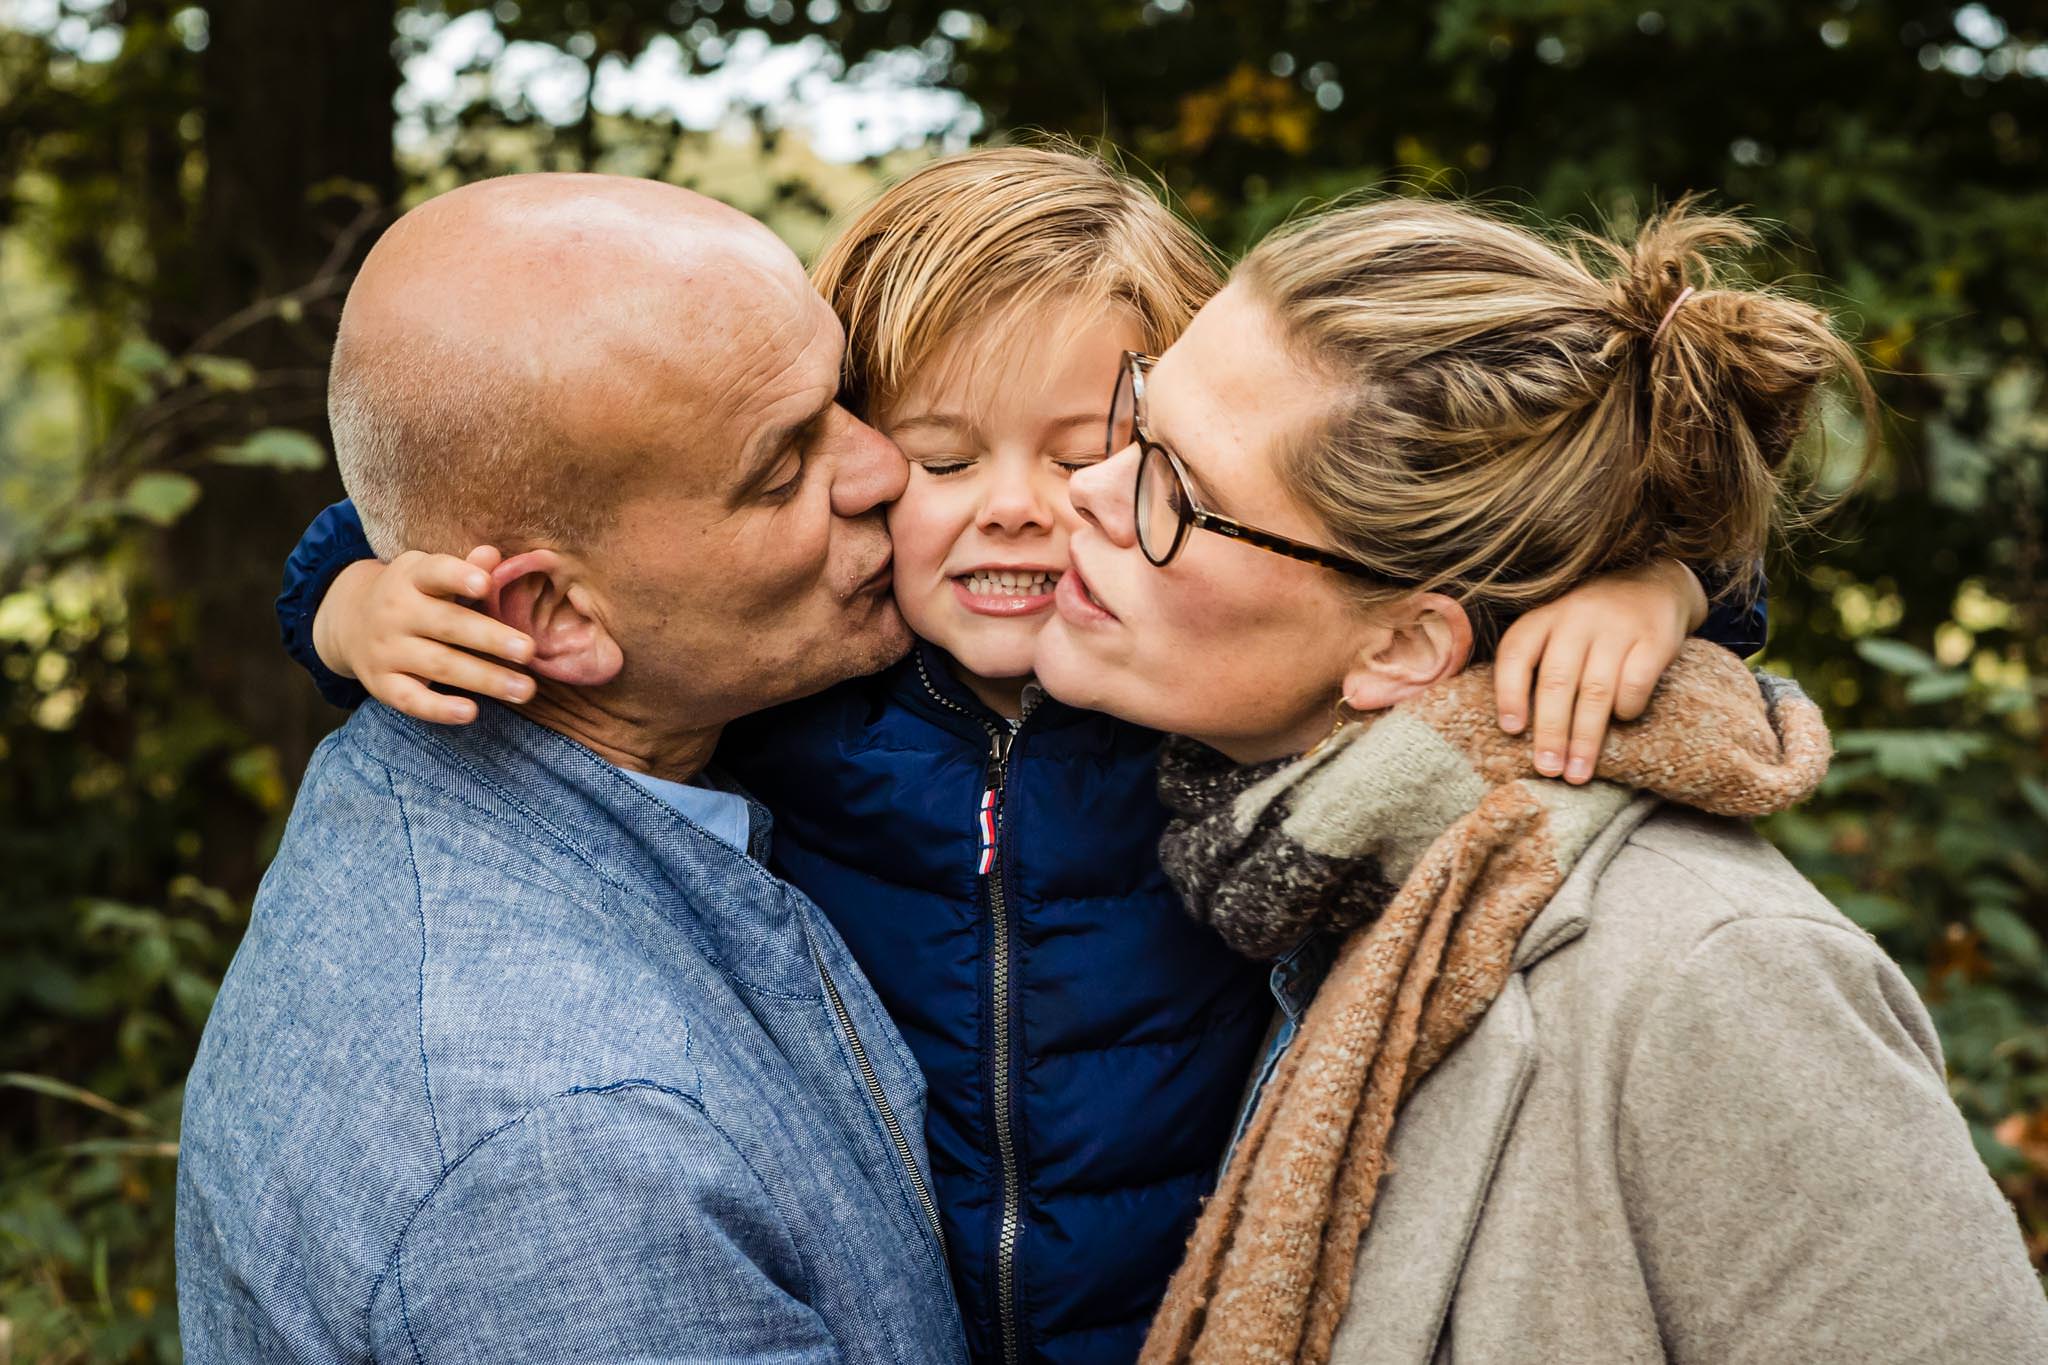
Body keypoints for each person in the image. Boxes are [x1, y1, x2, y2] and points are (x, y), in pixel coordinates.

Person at [272, 149, 1769, 1364]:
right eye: (933, 459)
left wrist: (1671, 587)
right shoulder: (801, 688)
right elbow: (522, 482)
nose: (1019, 510)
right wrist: (344, 599)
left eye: (1093, 457)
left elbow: (1458, 556)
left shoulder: (1208, 693)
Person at [1031, 195, 2048, 1363]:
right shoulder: (1282, 874)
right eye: (1134, 420)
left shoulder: (1717, 976)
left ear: (1403, 650)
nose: (1090, 492)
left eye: (1177, 492)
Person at [174, 173, 967, 1364]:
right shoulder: (571, 1162)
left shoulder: (504, 772)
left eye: (842, 398)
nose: (880, 469)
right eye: (782, 465)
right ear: (546, 616)